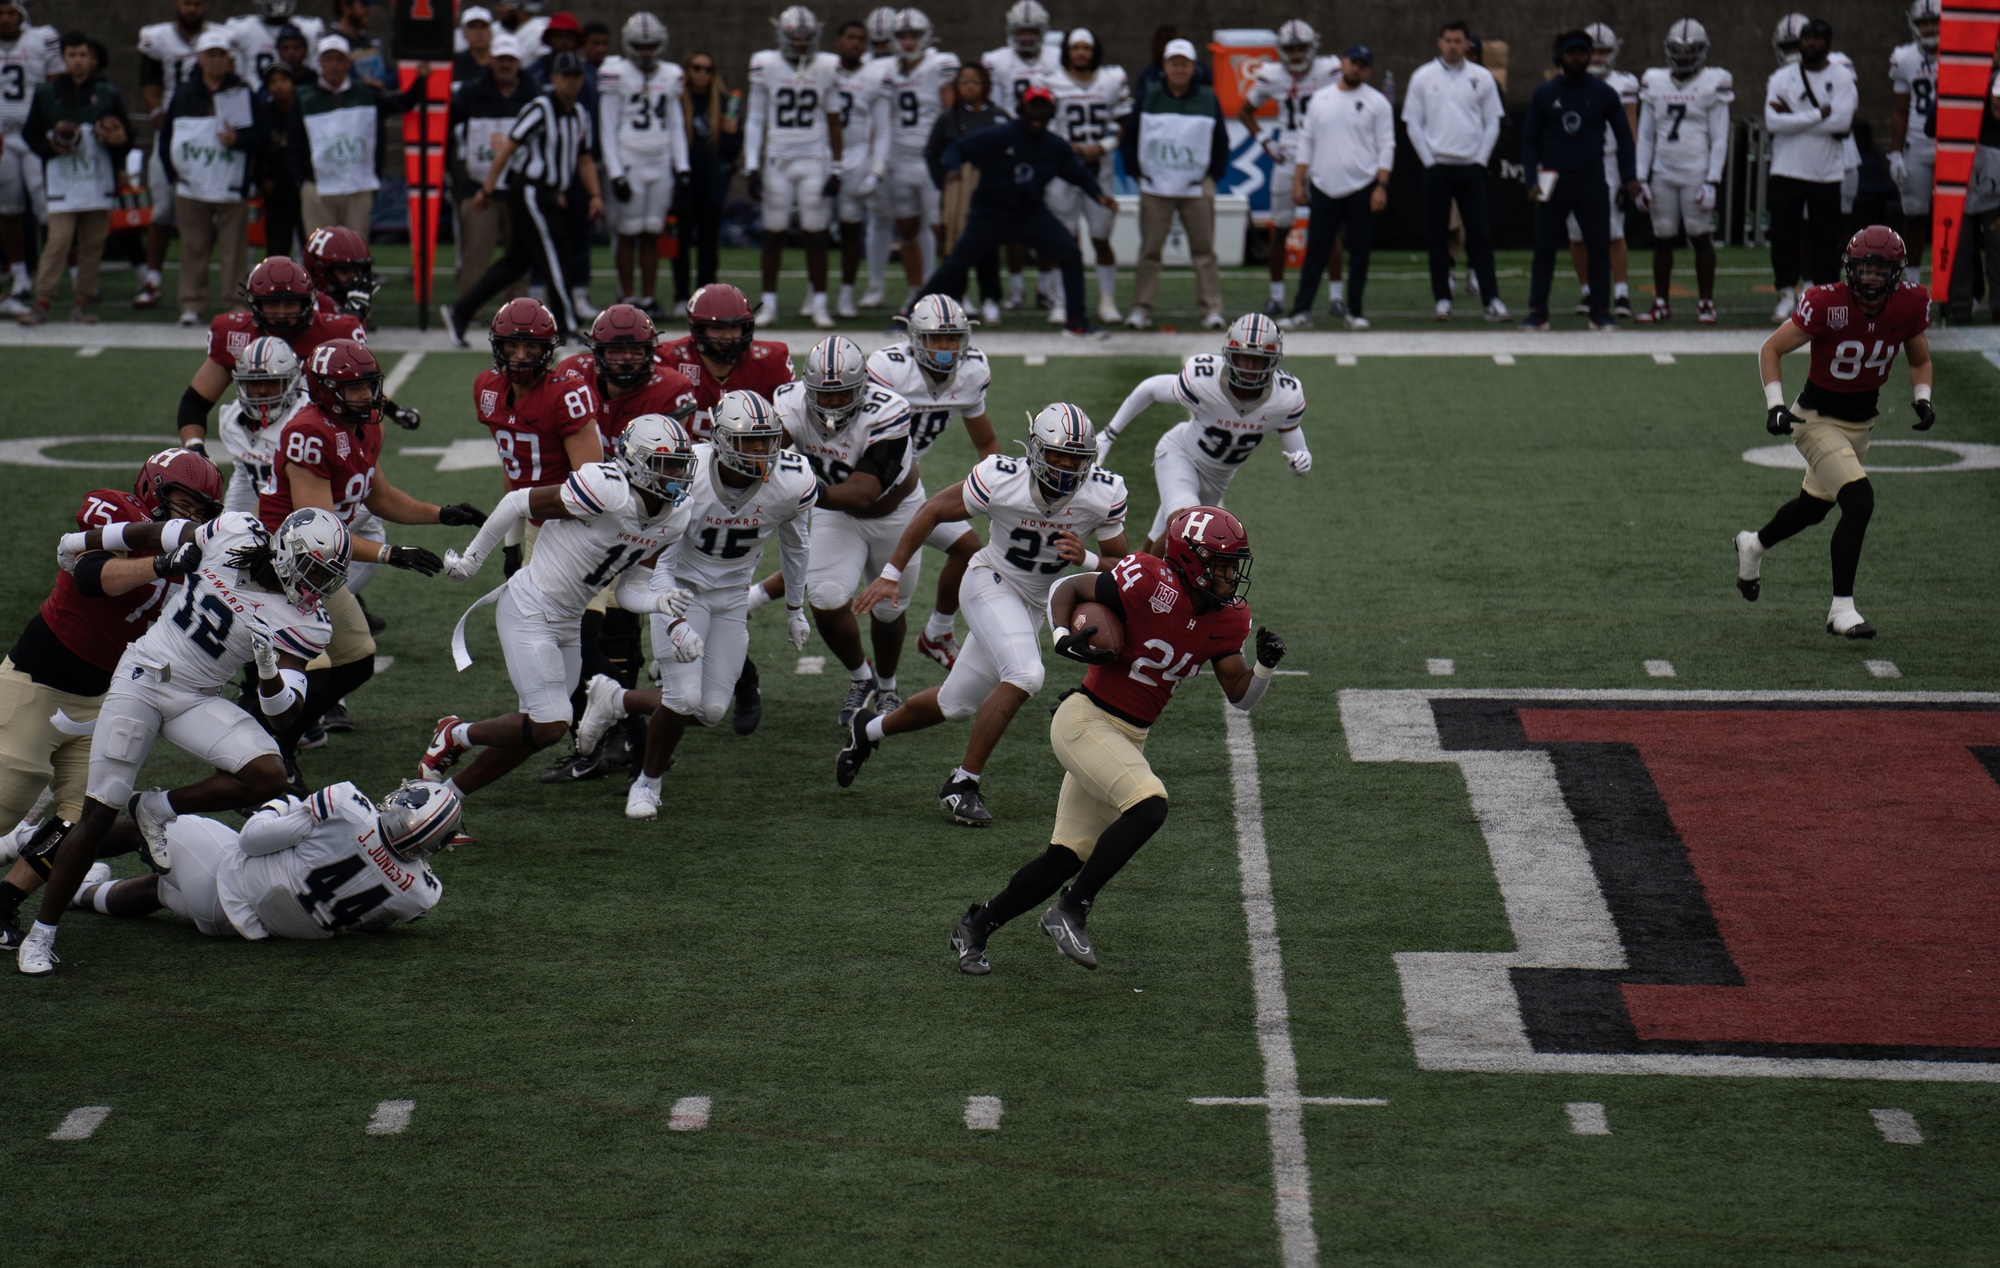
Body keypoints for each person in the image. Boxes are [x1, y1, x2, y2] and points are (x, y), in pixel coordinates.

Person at [948, 507, 1287, 974]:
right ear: (1190, 561)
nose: (1231, 576)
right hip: (1085, 720)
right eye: (1221, 564)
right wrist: (1063, 633)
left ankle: (975, 926)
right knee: (1150, 805)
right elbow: (1068, 588)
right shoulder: (1150, 578)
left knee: (1064, 856)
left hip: (1130, 736)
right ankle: (1072, 909)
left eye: (1234, 565)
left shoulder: (1229, 619)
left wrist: (1265, 668)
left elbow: (1242, 697)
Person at [19, 504, 348, 976]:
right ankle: (41, 934)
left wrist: (270, 674)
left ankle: (158, 808)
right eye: (315, 570)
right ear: (288, 552)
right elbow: (158, 531)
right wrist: (82, 542)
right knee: (99, 811)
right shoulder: (234, 531)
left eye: (328, 576)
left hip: (196, 697)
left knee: (268, 773)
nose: (319, 587)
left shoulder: (307, 622)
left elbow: (286, 715)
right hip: (144, 676)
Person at [837, 403, 1129, 827]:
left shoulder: (1102, 493)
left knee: (954, 704)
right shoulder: (1001, 478)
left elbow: (1122, 564)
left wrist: (1085, 556)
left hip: (1037, 601)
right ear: (1035, 451)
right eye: (1058, 456)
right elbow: (934, 509)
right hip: (990, 581)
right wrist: (890, 573)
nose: (1066, 468)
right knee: (1026, 675)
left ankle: (868, 730)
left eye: (1076, 459)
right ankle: (962, 783)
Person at [0, 449, 219, 950]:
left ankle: (4, 901)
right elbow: (91, 576)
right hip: (38, 679)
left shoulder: (197, 554)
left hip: (100, 697)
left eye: (199, 510)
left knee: (79, 820)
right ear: (152, 490)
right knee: (5, 806)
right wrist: (161, 562)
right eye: (180, 502)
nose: (188, 517)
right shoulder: (114, 510)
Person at [565, 392, 814, 822]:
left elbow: (797, 547)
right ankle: (648, 783)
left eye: (768, 441)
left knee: (713, 710)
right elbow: (656, 560)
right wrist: (675, 619)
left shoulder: (791, 480)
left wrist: (795, 608)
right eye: (750, 443)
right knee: (683, 697)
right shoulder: (687, 476)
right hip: (680, 589)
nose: (763, 452)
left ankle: (616, 699)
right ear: (719, 439)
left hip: (732, 596)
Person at [427, 414, 700, 799]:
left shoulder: (676, 515)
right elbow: (518, 500)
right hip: (530, 607)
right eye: (666, 464)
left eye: (680, 464)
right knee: (551, 724)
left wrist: (659, 600)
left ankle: (449, 796)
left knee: (535, 731)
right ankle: (456, 733)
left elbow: (630, 588)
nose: (677, 474)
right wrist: (472, 562)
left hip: (570, 620)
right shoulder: (606, 488)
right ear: (636, 461)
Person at [257, 340, 486, 785]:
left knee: (357, 660)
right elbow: (313, 528)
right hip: (285, 567)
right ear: (324, 390)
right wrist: (389, 553)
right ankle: (269, 760)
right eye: (354, 388)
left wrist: (440, 514)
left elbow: (379, 496)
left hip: (318, 566)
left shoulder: (363, 427)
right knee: (302, 674)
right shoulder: (309, 432)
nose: (367, 396)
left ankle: (279, 743)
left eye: (369, 386)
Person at [1737, 226, 1932, 640]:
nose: (1872, 278)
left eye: (1880, 269)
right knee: (1859, 501)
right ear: (1851, 268)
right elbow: (1771, 348)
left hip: (1861, 425)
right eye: (1865, 268)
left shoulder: (1910, 304)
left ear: (1896, 273)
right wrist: (1775, 405)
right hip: (1815, 420)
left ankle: (1752, 545)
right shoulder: (1827, 303)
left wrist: (1923, 396)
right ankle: (1841, 609)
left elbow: (1919, 358)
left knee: (1812, 509)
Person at [62, 780, 457, 941]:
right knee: (159, 887)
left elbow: (252, 840)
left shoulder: (349, 810)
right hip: (242, 928)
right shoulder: (420, 892)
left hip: (227, 882)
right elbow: (373, 925)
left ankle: (40, 852)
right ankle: (78, 894)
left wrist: (279, 803)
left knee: (147, 824)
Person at [654, 284, 794, 732]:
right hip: (682, 489)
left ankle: (733, 675)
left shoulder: (771, 360)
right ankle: (654, 687)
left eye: (736, 328)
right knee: (660, 581)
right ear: (696, 332)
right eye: (717, 329)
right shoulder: (668, 361)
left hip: (739, 491)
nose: (729, 338)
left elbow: (786, 431)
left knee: (724, 583)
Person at [766, 335, 919, 721]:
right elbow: (769, 462)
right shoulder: (789, 402)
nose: (833, 403)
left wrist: (796, 490)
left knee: (887, 612)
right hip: (835, 512)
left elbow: (863, 493)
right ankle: (861, 678)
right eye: (824, 394)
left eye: (843, 393)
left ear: (863, 386)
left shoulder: (889, 410)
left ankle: (887, 684)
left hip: (894, 515)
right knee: (826, 597)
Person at [854, 294, 996, 670]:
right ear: (915, 337)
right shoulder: (889, 368)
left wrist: (999, 489)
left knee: (968, 548)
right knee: (828, 578)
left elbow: (985, 442)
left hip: (906, 487)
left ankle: (937, 633)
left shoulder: (972, 372)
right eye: (937, 338)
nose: (946, 348)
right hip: (864, 481)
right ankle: (753, 600)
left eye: (953, 338)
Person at [910, 82, 1114, 336]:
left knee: (1070, 254)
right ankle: (909, 315)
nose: (1037, 114)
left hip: (1030, 214)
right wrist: (952, 169)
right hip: (990, 214)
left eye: (1043, 109)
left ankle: (1076, 322)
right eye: (1033, 107)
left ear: (1051, 113)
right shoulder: (999, 135)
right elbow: (957, 148)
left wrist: (1099, 196)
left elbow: (1078, 174)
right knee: (955, 264)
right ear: (1021, 109)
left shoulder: (1055, 146)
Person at [1096, 314, 1310, 551]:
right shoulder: (1205, 378)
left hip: (1218, 479)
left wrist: (1300, 460)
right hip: (1181, 455)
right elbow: (1151, 389)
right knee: (1187, 527)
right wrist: (1109, 433)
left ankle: (1128, 582)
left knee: (1156, 546)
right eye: (1243, 357)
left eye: (1257, 360)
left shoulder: (1285, 396)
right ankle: (1151, 584)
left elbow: (1296, 449)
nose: (1248, 367)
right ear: (1229, 353)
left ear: (1273, 360)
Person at [441, 49, 603, 341]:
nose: (572, 82)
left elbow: (583, 158)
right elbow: (508, 148)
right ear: (553, 78)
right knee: (557, 256)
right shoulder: (540, 108)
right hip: (530, 191)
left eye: (577, 76)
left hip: (549, 194)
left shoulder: (579, 114)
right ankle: (566, 325)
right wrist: (487, 189)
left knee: (516, 262)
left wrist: (595, 195)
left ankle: (460, 313)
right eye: (566, 76)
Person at [176, 254, 363, 458]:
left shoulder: (335, 332)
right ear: (255, 303)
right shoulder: (236, 334)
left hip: (319, 443)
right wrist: (194, 447)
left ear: (306, 303)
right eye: (272, 304)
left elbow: (363, 402)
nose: (281, 312)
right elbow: (195, 402)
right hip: (255, 445)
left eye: (290, 304)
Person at [470, 298, 604, 574]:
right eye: (512, 346)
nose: (520, 355)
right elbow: (515, 473)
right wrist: (511, 542)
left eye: (530, 347)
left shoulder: (565, 395)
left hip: (581, 525)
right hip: (537, 523)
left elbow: (592, 490)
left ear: (546, 349)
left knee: (602, 616)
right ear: (499, 346)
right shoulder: (488, 389)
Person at [1520, 31, 1640, 331]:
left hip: (1591, 179)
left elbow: (1624, 138)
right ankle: (1538, 311)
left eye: (1583, 52)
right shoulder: (1545, 93)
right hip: (1553, 180)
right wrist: (1531, 180)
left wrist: (1629, 178)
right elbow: (1530, 141)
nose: (1578, 58)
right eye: (1572, 52)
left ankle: (1599, 311)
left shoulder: (1603, 93)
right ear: (1560, 55)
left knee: (1599, 246)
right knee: (1545, 248)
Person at [19, 31, 131, 325]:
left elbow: (127, 136)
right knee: (58, 242)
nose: (78, 61)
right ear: (63, 58)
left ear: (92, 59)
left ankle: (82, 303)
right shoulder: (46, 93)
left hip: (97, 179)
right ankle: (42, 301)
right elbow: (29, 134)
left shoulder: (107, 92)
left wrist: (119, 138)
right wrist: (50, 148)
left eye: (83, 55)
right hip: (62, 182)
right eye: (73, 55)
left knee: (93, 245)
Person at [744, 6, 844, 328]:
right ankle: (769, 303)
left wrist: (837, 167)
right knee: (774, 234)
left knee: (816, 234)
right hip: (778, 159)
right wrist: (751, 166)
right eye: (795, 37)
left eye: (807, 38)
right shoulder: (765, 64)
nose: (801, 43)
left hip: (814, 158)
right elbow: (756, 118)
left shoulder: (827, 65)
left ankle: (819, 303)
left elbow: (833, 119)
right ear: (782, 36)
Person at [1401, 19, 1507, 322]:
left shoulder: (1482, 77)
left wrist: (1480, 160)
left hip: (1471, 167)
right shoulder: (1423, 77)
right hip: (1438, 167)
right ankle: (1443, 300)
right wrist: (1429, 161)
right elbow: (1413, 123)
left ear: (1467, 44)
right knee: (1437, 236)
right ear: (1439, 42)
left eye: (1458, 41)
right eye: (1447, 40)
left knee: (1480, 235)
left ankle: (1492, 300)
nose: (1452, 45)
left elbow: (1493, 122)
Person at [161, 31, 267, 327]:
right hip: (191, 188)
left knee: (234, 250)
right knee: (193, 247)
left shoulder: (242, 92)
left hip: (231, 187)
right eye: (210, 55)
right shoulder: (183, 94)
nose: (216, 61)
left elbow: (261, 136)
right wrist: (174, 176)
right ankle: (191, 304)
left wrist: (239, 139)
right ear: (199, 58)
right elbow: (167, 137)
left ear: (229, 59)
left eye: (222, 55)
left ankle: (235, 304)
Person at [1285, 45, 1393, 331]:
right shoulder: (1321, 99)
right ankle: (1301, 310)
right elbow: (1306, 141)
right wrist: (1299, 179)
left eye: (1363, 65)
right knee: (1316, 251)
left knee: (1359, 252)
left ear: (1368, 70)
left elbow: (1386, 145)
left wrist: (1381, 185)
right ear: (1343, 63)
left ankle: (1354, 312)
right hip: (1323, 186)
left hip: (1362, 186)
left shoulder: (1377, 102)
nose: (1356, 68)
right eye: (1353, 62)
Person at [1123, 39, 1227, 331]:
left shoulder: (1208, 97)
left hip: (1196, 187)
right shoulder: (1149, 96)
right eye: (1174, 63)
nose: (1179, 69)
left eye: (1184, 64)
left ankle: (1211, 309)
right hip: (1156, 187)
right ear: (1165, 67)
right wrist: (1137, 172)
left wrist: (1211, 176)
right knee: (1150, 252)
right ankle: (1141, 308)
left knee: (1204, 252)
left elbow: (1220, 140)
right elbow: (1130, 136)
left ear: (1193, 68)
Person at [1635, 20, 1732, 325]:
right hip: (1662, 172)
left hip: (1696, 172)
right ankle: (1661, 303)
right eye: (1678, 50)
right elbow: (1647, 135)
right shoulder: (1654, 80)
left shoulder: (1714, 81)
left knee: (1699, 236)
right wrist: (1641, 177)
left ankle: (1706, 303)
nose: (1684, 56)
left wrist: (1712, 179)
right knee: (1662, 237)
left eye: (1690, 51)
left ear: (1702, 52)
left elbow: (1720, 136)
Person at [861, 9, 957, 309]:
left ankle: (954, 291)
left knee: (942, 228)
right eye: (903, 36)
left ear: (924, 37)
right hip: (898, 159)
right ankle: (916, 291)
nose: (908, 42)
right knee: (907, 229)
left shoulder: (939, 65)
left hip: (930, 159)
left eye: (913, 36)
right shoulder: (883, 69)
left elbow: (950, 112)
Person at [290, 32, 429, 237]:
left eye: (339, 59)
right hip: (318, 188)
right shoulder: (303, 97)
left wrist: (420, 79)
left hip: (357, 187)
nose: (334, 65)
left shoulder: (366, 92)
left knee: (355, 254)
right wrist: (301, 183)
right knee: (318, 253)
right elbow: (293, 144)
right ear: (320, 62)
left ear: (348, 63)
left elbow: (401, 102)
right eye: (328, 59)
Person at [1241, 20, 1336, 319]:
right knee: (1280, 228)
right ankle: (1277, 297)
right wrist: (1266, 141)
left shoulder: (1328, 70)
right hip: (1288, 156)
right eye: (1290, 49)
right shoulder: (1272, 74)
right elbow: (1245, 111)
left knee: (1330, 230)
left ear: (1312, 47)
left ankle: (1336, 297)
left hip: (1322, 156)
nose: (1295, 54)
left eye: (1301, 48)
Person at [1764, 18, 1855, 324]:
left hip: (1825, 172)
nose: (1810, 44)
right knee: (1784, 236)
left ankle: (1824, 297)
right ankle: (1787, 295)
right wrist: (1818, 115)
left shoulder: (1841, 76)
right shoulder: (1781, 76)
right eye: (1806, 39)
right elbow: (1773, 123)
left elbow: (1842, 123)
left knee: (1825, 238)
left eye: (1817, 39)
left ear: (1827, 44)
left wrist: (1795, 118)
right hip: (1786, 168)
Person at [598, 12, 690, 315]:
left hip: (660, 160)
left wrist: (682, 167)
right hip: (630, 160)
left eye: (651, 45)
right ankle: (627, 296)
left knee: (652, 232)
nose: (646, 51)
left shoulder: (671, 74)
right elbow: (607, 126)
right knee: (627, 232)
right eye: (641, 44)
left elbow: (675, 124)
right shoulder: (615, 72)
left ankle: (648, 298)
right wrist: (614, 172)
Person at [135, 0, 218, 312]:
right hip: (173, 130)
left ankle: (229, 283)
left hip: (210, 133)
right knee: (162, 210)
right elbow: (150, 81)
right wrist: (157, 112)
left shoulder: (221, 35)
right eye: (187, 3)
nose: (192, 9)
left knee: (220, 208)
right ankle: (153, 279)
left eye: (197, 4)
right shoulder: (157, 38)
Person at [1042, 28, 1129, 326]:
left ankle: (1107, 300)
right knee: (1062, 240)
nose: (1081, 53)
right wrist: (1065, 147)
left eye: (1086, 48)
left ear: (1095, 51)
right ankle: (1061, 301)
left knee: (1100, 238)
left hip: (1098, 170)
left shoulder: (1112, 79)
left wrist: (1101, 146)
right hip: (1062, 172)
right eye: (1076, 47)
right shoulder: (1051, 81)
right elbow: (1040, 124)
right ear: (1067, 51)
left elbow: (1125, 124)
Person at [983, 0, 1063, 311]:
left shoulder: (1057, 58)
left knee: (1049, 219)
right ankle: (1016, 288)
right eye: (1022, 31)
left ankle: (1047, 287)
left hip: (1047, 145)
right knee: (1014, 223)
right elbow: (993, 106)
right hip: (1012, 148)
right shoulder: (997, 60)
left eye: (1032, 31)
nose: (1027, 37)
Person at [446, 31, 530, 304]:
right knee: (475, 257)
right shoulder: (471, 92)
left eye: (510, 59)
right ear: (491, 60)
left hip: (519, 191)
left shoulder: (532, 93)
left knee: (520, 260)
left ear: (518, 62)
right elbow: (446, 126)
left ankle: (521, 317)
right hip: (479, 189)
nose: (505, 65)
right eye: (500, 59)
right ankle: (466, 314)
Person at [1564, 24, 1640, 320]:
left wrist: (1629, 173)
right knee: (1577, 232)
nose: (1597, 57)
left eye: (1602, 51)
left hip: (1609, 161)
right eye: (1592, 51)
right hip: (1576, 160)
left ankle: (1620, 292)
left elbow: (1630, 130)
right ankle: (1587, 291)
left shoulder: (1623, 83)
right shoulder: (1568, 81)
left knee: (1613, 231)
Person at [924, 62, 1006, 322]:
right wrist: (944, 182)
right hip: (958, 190)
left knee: (988, 245)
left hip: (991, 189)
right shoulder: (948, 118)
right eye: (964, 82)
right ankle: (956, 298)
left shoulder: (999, 116)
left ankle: (990, 298)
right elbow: (931, 152)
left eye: (975, 82)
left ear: (986, 86)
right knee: (955, 245)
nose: (969, 87)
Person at [0, 0, 59, 312]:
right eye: (1, 13)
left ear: (22, 16)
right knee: (8, 210)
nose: (6, 19)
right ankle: (21, 277)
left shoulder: (41, 38)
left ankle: (58, 274)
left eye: (12, 13)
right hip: (2, 137)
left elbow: (55, 84)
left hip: (34, 133)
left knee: (48, 210)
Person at [670, 52, 740, 314]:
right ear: (688, 71)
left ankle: (705, 299)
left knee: (708, 246)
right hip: (684, 185)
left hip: (711, 185)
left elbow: (732, 151)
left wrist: (732, 133)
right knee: (680, 244)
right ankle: (680, 297)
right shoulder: (677, 102)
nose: (701, 74)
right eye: (696, 68)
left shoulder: (723, 103)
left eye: (707, 69)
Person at [216, 335, 305, 516]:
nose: (262, 390)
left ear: (292, 382)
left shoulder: (305, 424)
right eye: (254, 383)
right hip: (286, 516)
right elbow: (245, 476)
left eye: (272, 382)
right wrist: (227, 521)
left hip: (337, 516)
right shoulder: (231, 418)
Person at [829, 20, 880, 317]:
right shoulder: (825, 69)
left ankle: (846, 294)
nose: (856, 44)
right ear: (838, 40)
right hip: (823, 153)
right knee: (816, 228)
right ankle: (816, 294)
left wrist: (875, 167)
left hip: (857, 154)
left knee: (851, 227)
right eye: (850, 37)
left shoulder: (873, 76)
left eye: (861, 39)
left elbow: (881, 124)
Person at [1889, 0, 1940, 285]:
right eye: (1924, 22)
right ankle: (1912, 281)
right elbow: (1900, 109)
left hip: (1953, 145)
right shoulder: (1904, 58)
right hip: (1918, 143)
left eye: (1935, 21)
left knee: (1958, 218)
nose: (1930, 28)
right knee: (1915, 215)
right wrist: (1895, 153)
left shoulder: (1959, 54)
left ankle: (1956, 286)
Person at [254, 59, 302, 260]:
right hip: (275, 192)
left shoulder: (304, 110)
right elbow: (256, 151)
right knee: (276, 250)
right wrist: (261, 179)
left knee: (311, 244)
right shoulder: (262, 115)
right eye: (273, 81)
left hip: (303, 189)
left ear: (293, 83)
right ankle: (277, 289)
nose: (279, 85)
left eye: (284, 79)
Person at [227, 0, 322, 85]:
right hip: (255, 97)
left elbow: (317, 71)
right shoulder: (242, 28)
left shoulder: (310, 28)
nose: (276, 3)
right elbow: (235, 74)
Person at [451, 5, 492, 89]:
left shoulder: (501, 62)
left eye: (483, 27)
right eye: (473, 27)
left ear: (491, 31)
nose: (479, 33)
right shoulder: (454, 63)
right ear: (464, 33)